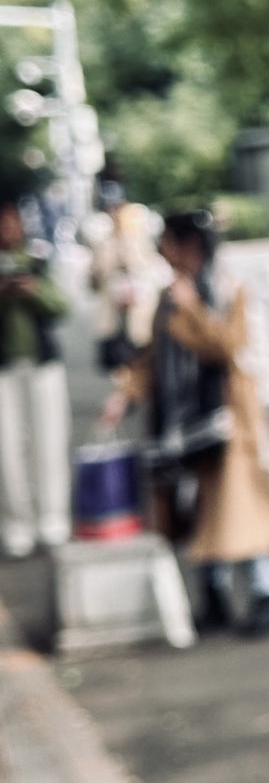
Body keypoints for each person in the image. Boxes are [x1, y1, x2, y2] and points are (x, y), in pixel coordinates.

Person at [103, 211, 269, 638]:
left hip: (227, 421)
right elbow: (153, 356)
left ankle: (267, 592)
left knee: (237, 513)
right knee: (201, 511)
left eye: (170, 242)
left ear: (190, 246)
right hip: (181, 426)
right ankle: (216, 595)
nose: (164, 252)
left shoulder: (227, 290)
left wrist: (196, 311)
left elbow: (227, 347)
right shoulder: (170, 295)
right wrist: (125, 394)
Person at [0, 199, 71, 557]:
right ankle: (16, 523)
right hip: (4, 368)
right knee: (6, 449)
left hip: (42, 364)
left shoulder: (39, 262)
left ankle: (52, 518)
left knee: (49, 439)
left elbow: (62, 306)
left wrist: (33, 290)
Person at [86, 175, 169, 371]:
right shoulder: (103, 242)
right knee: (118, 365)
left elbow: (150, 269)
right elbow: (94, 280)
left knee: (142, 358)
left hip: (139, 311)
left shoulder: (142, 238)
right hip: (113, 315)